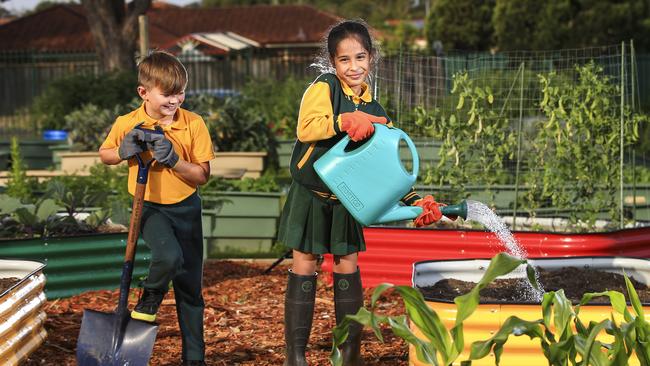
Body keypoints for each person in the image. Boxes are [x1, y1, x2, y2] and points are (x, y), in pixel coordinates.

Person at [277, 20, 445, 366]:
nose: (353, 67)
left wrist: (415, 201)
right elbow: (306, 128)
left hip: (346, 201)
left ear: (371, 58)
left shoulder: (377, 111)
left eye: (360, 57)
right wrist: (344, 120)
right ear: (332, 62)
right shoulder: (324, 87)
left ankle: (348, 354)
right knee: (305, 264)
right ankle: (295, 356)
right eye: (344, 60)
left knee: (347, 266)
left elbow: (386, 169)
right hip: (312, 195)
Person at [99, 51, 214, 366]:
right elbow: (105, 153)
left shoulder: (193, 124)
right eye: (167, 93)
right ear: (144, 92)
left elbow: (202, 175)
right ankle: (149, 299)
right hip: (148, 206)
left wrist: (174, 160)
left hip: (186, 208)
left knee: (190, 288)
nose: (176, 99)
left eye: (180, 92)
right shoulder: (129, 122)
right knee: (168, 256)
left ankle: (194, 359)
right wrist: (124, 150)